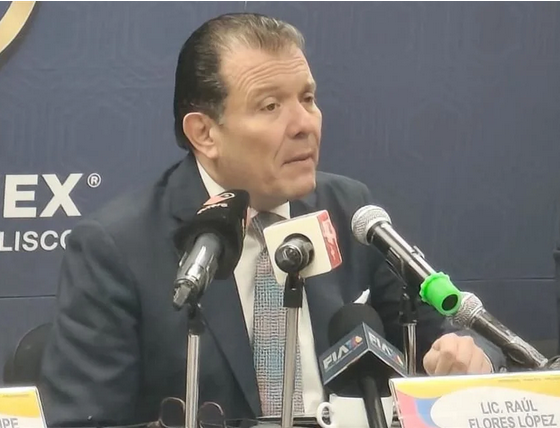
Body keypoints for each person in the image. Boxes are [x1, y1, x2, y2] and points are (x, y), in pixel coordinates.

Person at [39, 13, 505, 427]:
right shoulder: (118, 247)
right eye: (270, 106)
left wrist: (471, 356)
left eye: (308, 98)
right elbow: (83, 421)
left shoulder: (350, 211)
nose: (305, 124)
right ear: (204, 133)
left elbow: (450, 336)